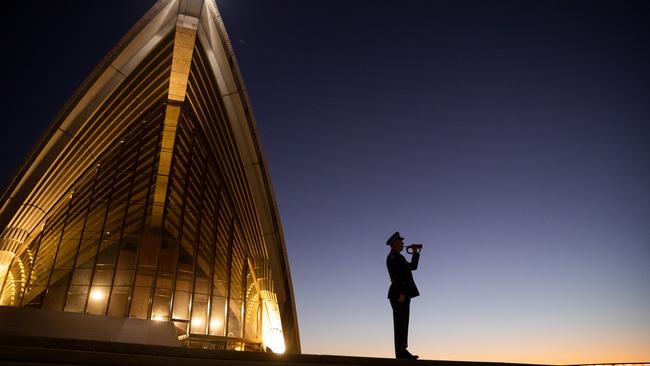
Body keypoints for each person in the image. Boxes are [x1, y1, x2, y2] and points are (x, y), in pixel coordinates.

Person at [386, 231, 420, 360]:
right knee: (400, 323)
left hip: (404, 294)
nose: (403, 244)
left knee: (404, 323)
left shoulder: (400, 257)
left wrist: (415, 253)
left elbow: (413, 267)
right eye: (400, 242)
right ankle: (400, 353)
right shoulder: (392, 257)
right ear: (394, 244)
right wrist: (400, 292)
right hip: (398, 294)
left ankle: (403, 351)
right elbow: (394, 276)